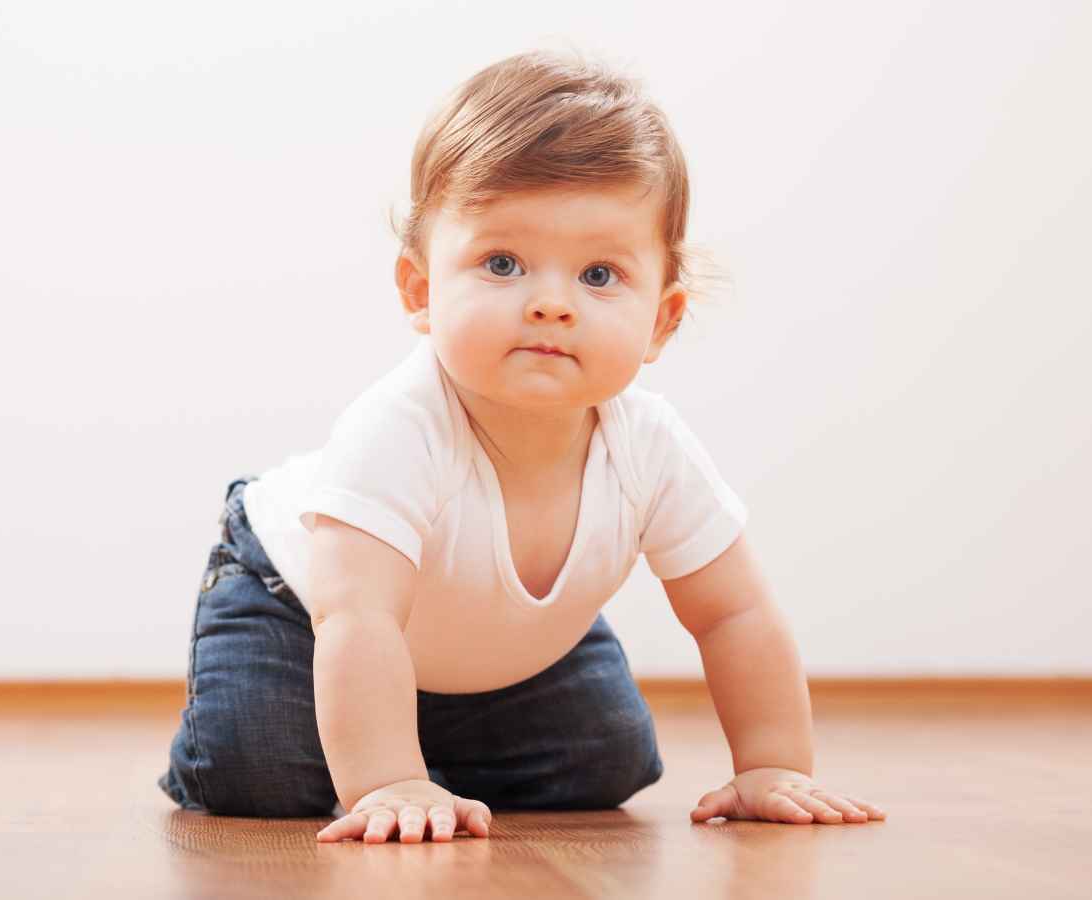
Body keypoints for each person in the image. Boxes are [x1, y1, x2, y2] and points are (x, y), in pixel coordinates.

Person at [159, 48, 886, 844]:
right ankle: (393, 750)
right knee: (259, 776)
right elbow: (359, 620)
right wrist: (388, 784)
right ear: (421, 291)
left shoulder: (648, 447)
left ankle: (419, 734)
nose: (550, 305)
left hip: (491, 645)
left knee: (604, 765)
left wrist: (773, 764)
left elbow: (736, 614)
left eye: (599, 276)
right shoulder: (399, 429)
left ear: (664, 319)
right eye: (503, 264)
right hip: (299, 610)